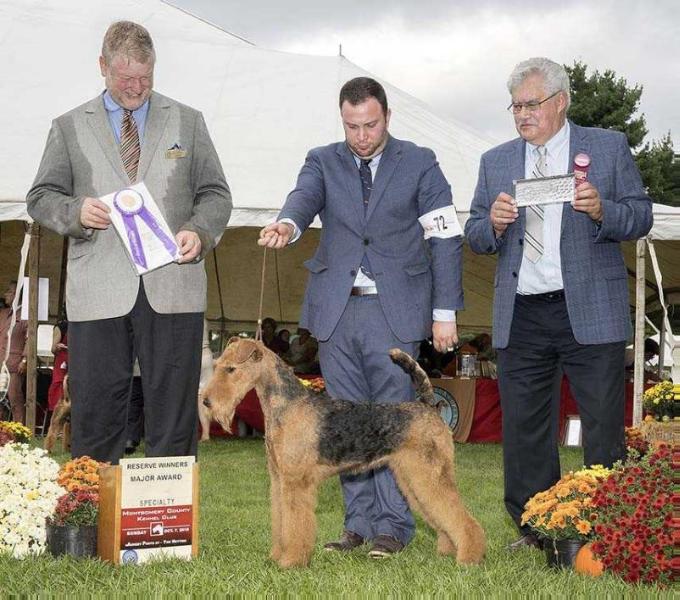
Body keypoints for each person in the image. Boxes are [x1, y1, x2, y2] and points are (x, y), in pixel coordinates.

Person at [258, 77, 463, 558]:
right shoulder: (322, 160)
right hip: (336, 310)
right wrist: (287, 224)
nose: (361, 136)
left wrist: (445, 311)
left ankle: (392, 527)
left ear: (387, 117)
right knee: (342, 424)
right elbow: (303, 199)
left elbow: (446, 236)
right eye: (352, 126)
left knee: (394, 424)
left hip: (395, 308)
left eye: (370, 125)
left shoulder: (421, 161)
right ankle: (357, 525)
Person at [464, 57, 653, 551]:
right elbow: (476, 233)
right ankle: (535, 530)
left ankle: (605, 526)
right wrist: (495, 223)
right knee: (525, 427)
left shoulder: (607, 147)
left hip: (590, 308)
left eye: (532, 104)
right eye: (516, 106)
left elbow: (640, 215)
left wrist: (602, 211)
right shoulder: (496, 161)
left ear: (561, 101)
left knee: (603, 427)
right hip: (522, 312)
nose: (522, 114)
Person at [26, 21, 231, 463]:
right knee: (96, 417)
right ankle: (91, 521)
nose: (137, 88)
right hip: (98, 294)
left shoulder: (188, 121)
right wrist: (75, 212)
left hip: (173, 290)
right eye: (126, 78)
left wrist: (199, 230)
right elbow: (41, 197)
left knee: (175, 420)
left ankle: (166, 529)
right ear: (102, 67)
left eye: (146, 77)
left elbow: (215, 194)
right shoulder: (68, 127)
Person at [0, 282, 28, 423]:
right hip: (1, 361)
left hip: (14, 364)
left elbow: (31, 339)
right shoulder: (3, 313)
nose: (5, 294)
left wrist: (25, 360)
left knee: (14, 397)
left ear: (17, 295)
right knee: (0, 400)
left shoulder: (26, 315)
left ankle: (19, 433)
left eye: (9, 291)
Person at [46, 314, 68, 416]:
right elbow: (53, 349)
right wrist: (58, 346)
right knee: (59, 388)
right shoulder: (62, 326)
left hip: (76, 362)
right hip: (62, 363)